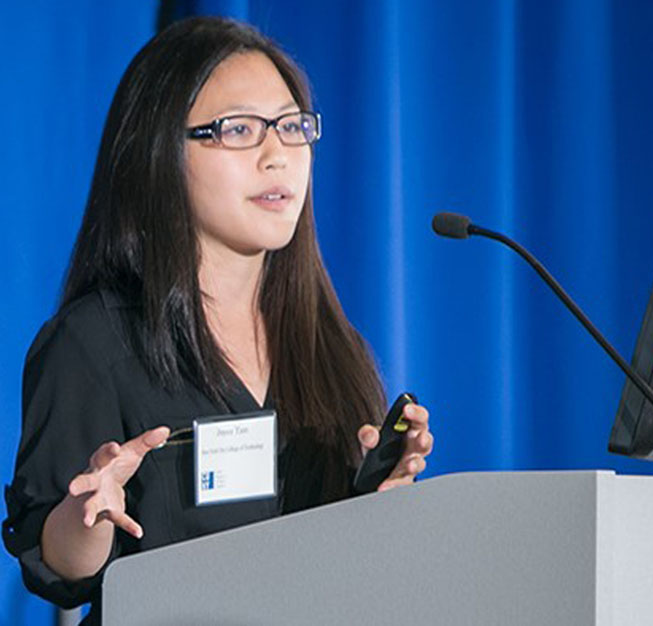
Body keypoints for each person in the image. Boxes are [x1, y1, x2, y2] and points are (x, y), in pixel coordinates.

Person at [2, 16, 432, 624]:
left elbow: (333, 563)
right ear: (158, 153)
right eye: (239, 130)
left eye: (290, 127)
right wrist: (87, 515)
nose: (277, 154)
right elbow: (60, 569)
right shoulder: (93, 343)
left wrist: (378, 498)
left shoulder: (333, 347)